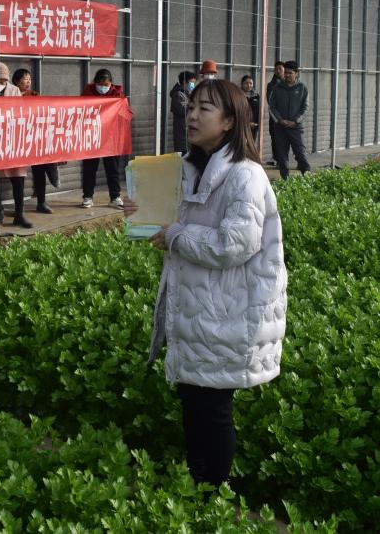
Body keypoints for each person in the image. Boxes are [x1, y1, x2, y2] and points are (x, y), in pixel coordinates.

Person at [124, 79, 286, 489]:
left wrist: (177, 234)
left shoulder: (245, 176)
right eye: (191, 106)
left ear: (229, 121)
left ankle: (211, 490)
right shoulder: (189, 170)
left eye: (204, 109)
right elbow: (170, 226)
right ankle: (198, 484)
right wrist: (141, 211)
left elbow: (235, 244)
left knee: (212, 408)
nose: (192, 116)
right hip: (199, 310)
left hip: (226, 314)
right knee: (194, 401)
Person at [13, 68, 58, 214]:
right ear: (16, 81)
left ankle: (41, 202)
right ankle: (18, 207)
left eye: (29, 79)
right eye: (25, 78)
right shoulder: (10, 95)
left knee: (39, 169)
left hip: (33, 136)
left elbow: (43, 112)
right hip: (15, 138)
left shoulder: (34, 95)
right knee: (17, 174)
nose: (28, 81)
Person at [0, 62, 33, 228]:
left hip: (13, 141)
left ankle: (19, 214)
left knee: (18, 178)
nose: (1, 83)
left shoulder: (14, 90)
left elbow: (20, 114)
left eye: (4, 80)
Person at [80, 68, 124, 209]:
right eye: (101, 84)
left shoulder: (118, 95)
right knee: (89, 168)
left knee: (113, 169)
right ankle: (88, 197)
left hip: (111, 138)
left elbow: (123, 114)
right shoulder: (87, 94)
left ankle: (115, 197)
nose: (103, 87)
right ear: (95, 83)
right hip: (92, 137)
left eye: (106, 85)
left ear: (111, 84)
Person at [267, 60, 310, 179]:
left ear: (296, 73)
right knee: (282, 157)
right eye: (285, 72)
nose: (287, 75)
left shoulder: (302, 88)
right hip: (280, 128)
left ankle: (308, 179)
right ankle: (285, 181)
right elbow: (271, 107)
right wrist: (280, 120)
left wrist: (295, 121)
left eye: (290, 73)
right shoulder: (277, 88)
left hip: (296, 128)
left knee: (300, 154)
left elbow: (305, 108)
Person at [170, 70, 198, 153]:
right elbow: (183, 110)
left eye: (194, 83)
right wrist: (195, 104)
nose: (193, 85)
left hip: (188, 131)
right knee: (183, 154)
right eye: (191, 82)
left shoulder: (187, 93)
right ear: (184, 82)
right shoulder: (178, 94)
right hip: (182, 132)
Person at [264, 61, 286, 165]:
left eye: (280, 69)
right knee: (275, 138)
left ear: (284, 70)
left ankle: (285, 160)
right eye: (276, 69)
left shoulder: (289, 83)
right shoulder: (271, 85)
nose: (278, 71)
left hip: (288, 117)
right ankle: (277, 159)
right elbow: (270, 101)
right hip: (275, 118)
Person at [240, 74, 260, 145]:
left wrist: (257, 124)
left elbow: (259, 111)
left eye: (251, 83)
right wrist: (247, 123)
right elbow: (238, 112)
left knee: (251, 145)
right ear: (242, 84)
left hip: (253, 127)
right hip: (241, 126)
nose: (249, 85)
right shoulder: (238, 95)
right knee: (242, 145)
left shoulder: (256, 96)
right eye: (246, 83)